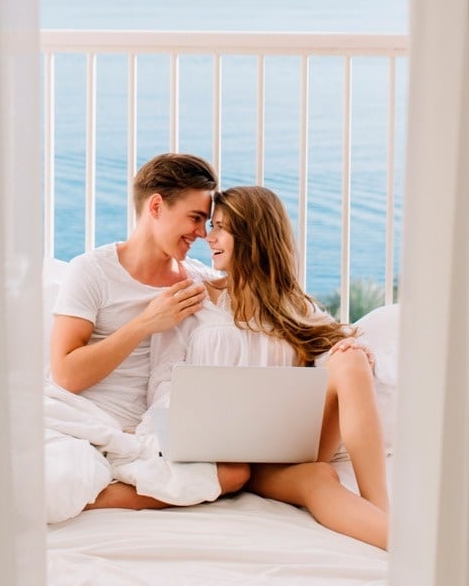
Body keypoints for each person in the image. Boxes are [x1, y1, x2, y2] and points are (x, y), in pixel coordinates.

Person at [145, 185, 389, 549]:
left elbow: (329, 348)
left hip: (288, 445)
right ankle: (406, 544)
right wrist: (185, 426)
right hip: (229, 458)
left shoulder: (291, 304)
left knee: (351, 357)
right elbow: (162, 383)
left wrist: (348, 350)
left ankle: (380, 508)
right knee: (319, 478)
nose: (208, 237)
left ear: (253, 234)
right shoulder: (192, 299)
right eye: (211, 225)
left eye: (221, 227)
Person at [46, 153, 250, 517]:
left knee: (234, 473)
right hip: (79, 415)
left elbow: (268, 302)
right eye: (195, 218)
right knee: (58, 476)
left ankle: (103, 494)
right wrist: (145, 322)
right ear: (156, 206)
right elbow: (66, 375)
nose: (203, 233)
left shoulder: (197, 280)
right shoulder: (92, 271)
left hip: (148, 431)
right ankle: (94, 483)